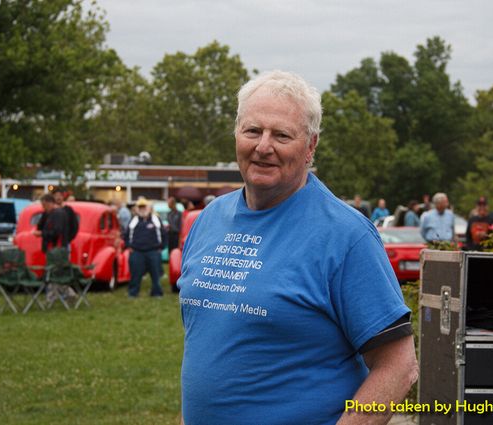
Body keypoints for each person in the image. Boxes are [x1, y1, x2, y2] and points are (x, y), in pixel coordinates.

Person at [178, 70, 417, 425]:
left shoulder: (345, 236)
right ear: (237, 135)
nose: (263, 147)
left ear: (310, 146)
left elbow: (399, 366)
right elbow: (205, 350)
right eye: (253, 130)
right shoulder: (209, 220)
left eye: (282, 135)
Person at [124, 197, 167, 298]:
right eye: (140, 207)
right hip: (136, 251)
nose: (142, 209)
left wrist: (161, 247)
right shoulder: (133, 220)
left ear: (148, 208)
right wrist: (128, 246)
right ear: (137, 208)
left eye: (144, 207)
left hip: (153, 251)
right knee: (135, 274)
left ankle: (157, 293)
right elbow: (126, 235)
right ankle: (133, 293)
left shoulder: (156, 219)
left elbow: (164, 234)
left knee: (156, 274)